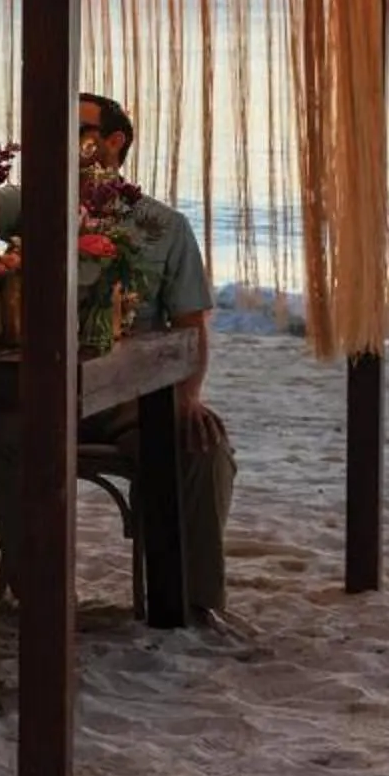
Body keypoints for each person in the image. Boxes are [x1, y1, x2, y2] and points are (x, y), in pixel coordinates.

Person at [77, 89, 232, 615]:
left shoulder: (163, 226)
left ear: (114, 142)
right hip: (36, 396)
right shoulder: (29, 211)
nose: (65, 140)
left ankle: (191, 600)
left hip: (126, 397)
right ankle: (31, 593)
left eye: (79, 131)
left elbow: (191, 325)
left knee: (199, 444)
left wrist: (188, 397)